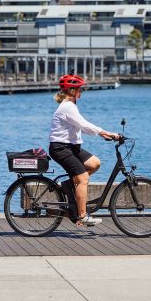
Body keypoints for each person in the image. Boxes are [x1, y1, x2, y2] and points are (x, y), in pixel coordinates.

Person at [49, 73, 122, 227]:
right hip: (61, 148)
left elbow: (81, 126)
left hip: (71, 147)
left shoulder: (71, 105)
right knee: (83, 179)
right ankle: (82, 216)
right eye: (79, 89)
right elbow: (84, 124)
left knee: (94, 163)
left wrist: (103, 135)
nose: (81, 91)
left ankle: (68, 185)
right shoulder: (67, 106)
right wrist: (106, 133)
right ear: (72, 90)